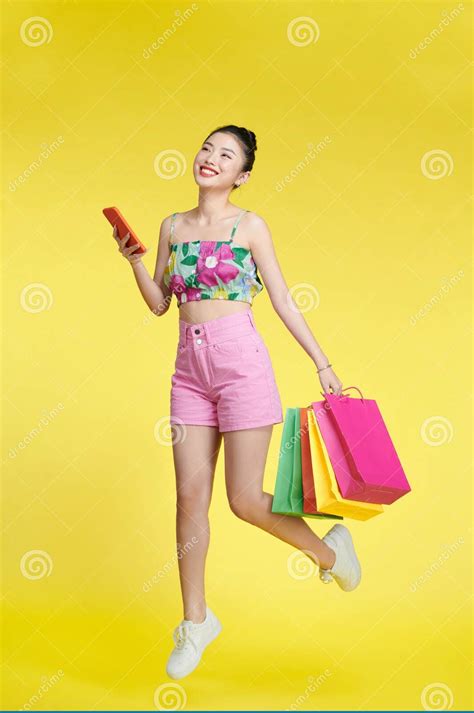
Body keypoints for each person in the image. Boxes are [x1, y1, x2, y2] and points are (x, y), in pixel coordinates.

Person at [113, 124, 361, 681]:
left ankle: (329, 551)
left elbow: (282, 298)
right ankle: (195, 621)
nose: (210, 158)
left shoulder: (250, 227)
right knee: (188, 496)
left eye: (225, 155)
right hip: (189, 371)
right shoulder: (172, 226)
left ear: (241, 176)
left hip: (241, 366)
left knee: (245, 501)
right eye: (206, 147)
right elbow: (159, 304)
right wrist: (132, 259)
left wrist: (322, 363)